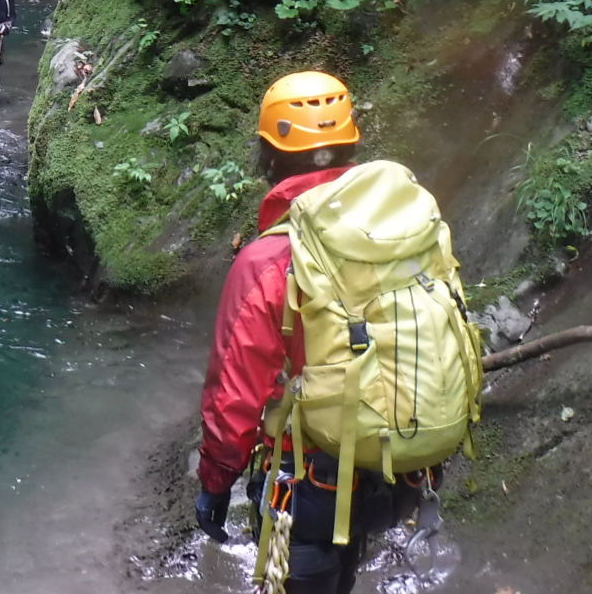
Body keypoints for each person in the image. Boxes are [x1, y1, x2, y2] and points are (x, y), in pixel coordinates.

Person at [193, 71, 481, 594]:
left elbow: (234, 393)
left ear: (270, 155)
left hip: (310, 488)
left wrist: (216, 482)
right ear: (351, 144)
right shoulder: (408, 227)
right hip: (404, 467)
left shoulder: (269, 260)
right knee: (345, 568)